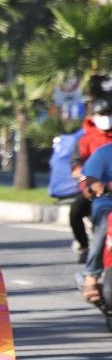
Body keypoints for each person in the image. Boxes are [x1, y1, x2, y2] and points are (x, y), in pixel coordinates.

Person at [70, 102, 112, 260]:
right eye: (102, 114)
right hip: (95, 189)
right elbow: (75, 166)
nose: (107, 117)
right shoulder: (85, 140)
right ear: (93, 117)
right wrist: (89, 178)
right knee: (75, 212)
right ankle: (85, 247)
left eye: (109, 113)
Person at [79, 139, 112, 303]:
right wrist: (104, 187)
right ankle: (91, 274)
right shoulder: (104, 153)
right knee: (107, 223)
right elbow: (93, 183)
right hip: (107, 202)